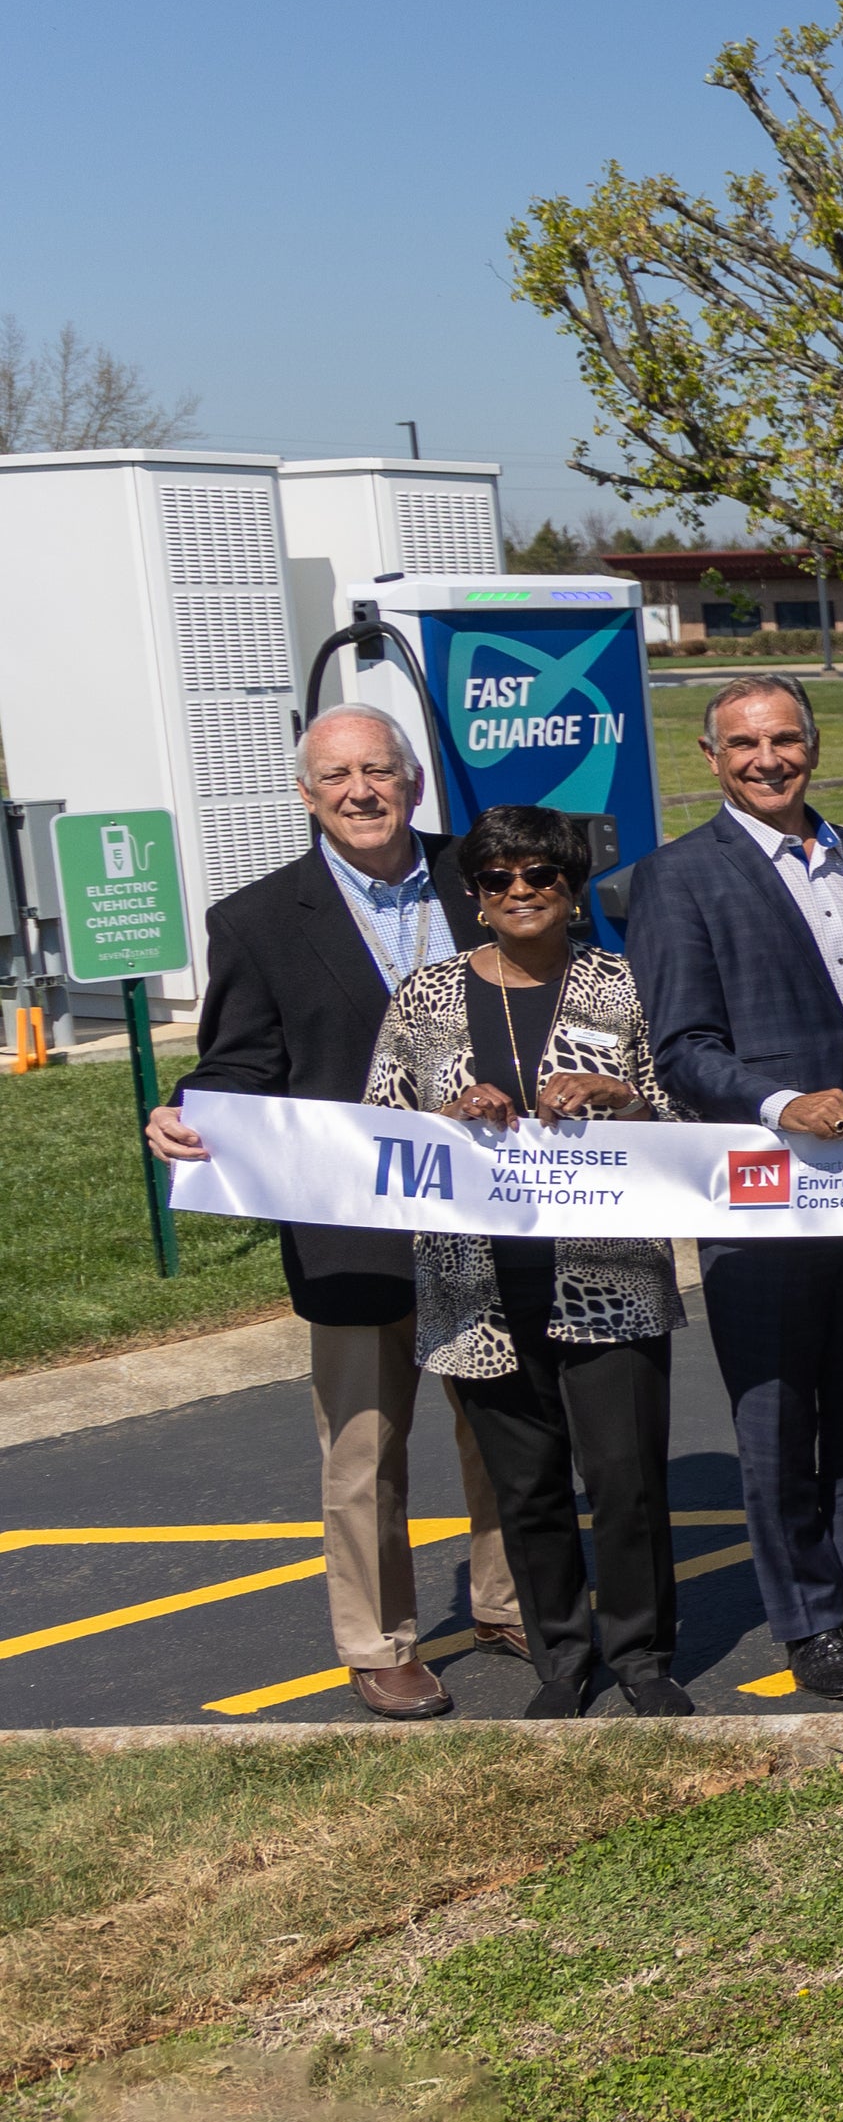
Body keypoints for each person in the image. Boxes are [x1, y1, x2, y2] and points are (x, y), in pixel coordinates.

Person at [150, 706, 514, 1719]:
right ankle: (377, 1639)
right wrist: (186, 1108)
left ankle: (506, 1596)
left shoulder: (487, 877)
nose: (361, 790)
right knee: (364, 1445)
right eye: (337, 776)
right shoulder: (260, 921)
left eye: (379, 770)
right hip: (351, 1228)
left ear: (412, 782)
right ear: (306, 796)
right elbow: (241, 1062)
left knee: (504, 1426)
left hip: (494, 1207)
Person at [620, 674, 843, 1704]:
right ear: (711, 758)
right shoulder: (674, 877)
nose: (767, 760)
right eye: (744, 744)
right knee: (777, 1418)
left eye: (785, 740)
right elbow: (682, 1049)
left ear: (814, 745)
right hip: (758, 1190)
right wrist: (782, 1101)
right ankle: (807, 1618)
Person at [359, 804, 685, 1718]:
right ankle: (561, 1657)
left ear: (572, 891)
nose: (519, 892)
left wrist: (621, 1096)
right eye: (498, 879)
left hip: (609, 1272)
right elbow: (376, 1133)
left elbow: (687, 1121)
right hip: (476, 1285)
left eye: (540, 876)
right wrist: (447, 1115)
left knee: (625, 1482)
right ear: (474, 896)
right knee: (527, 1487)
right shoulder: (423, 999)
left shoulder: (624, 987)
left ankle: (643, 1655)